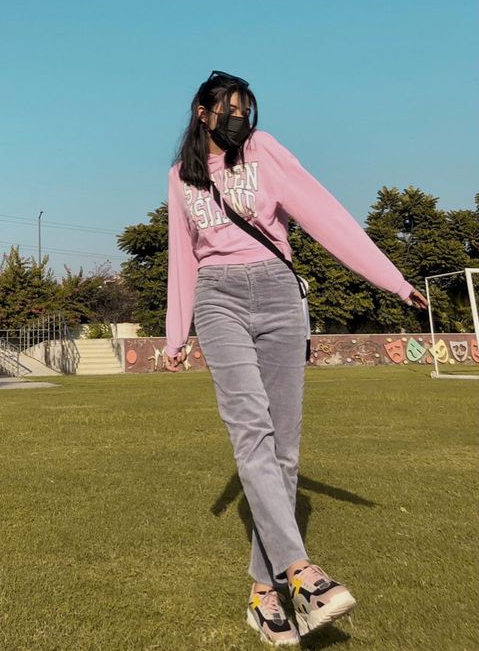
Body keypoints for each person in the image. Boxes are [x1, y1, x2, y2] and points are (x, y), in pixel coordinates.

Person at [163, 71, 428, 646]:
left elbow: (325, 214)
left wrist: (394, 281)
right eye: (228, 108)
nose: (238, 117)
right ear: (202, 112)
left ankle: (263, 594)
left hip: (281, 296)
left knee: (284, 449)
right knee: (250, 431)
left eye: (245, 108)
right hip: (219, 298)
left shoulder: (265, 151)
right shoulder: (180, 178)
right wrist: (174, 335)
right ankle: (303, 574)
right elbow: (182, 257)